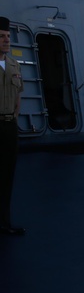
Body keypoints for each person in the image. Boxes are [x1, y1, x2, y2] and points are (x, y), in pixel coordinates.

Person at [0, 16, 25, 236]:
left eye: (7, 36)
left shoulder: (14, 64)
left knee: (7, 176)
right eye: (1, 36)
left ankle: (4, 223)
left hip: (8, 126)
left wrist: (15, 116)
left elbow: (18, 94)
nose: (6, 40)